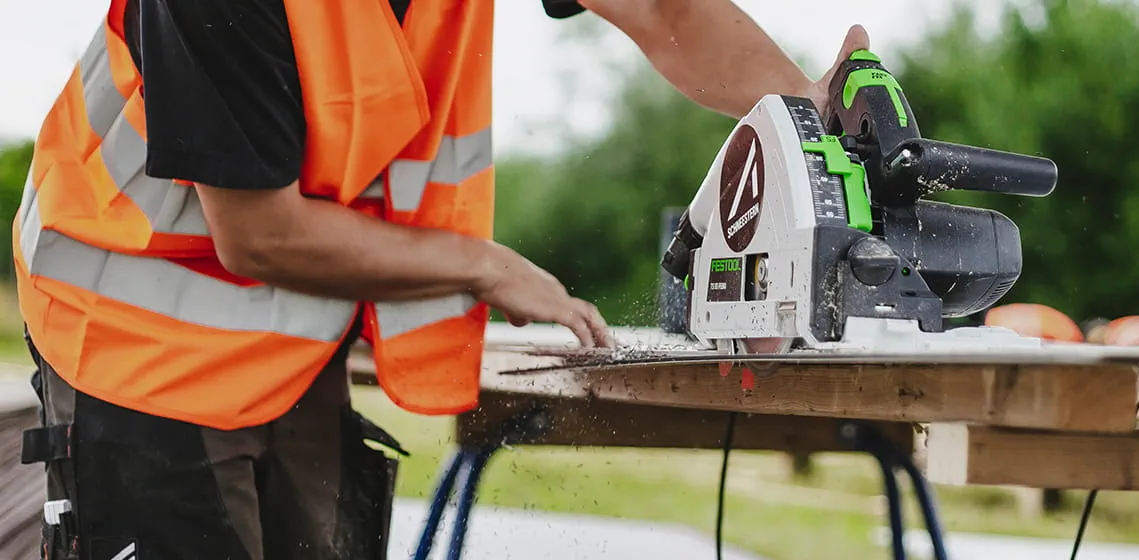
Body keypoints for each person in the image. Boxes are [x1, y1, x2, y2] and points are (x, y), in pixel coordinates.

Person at [12, 0, 873, 558]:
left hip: (285, 341)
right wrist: (485, 265)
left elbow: (660, 8)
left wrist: (800, 105)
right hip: (130, 331)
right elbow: (259, 235)